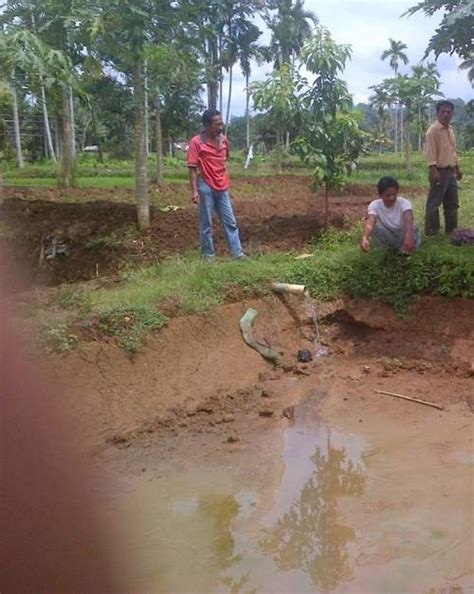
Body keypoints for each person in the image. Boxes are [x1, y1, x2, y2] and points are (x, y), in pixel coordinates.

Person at [187, 109, 245, 260]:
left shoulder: (224, 140)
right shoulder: (196, 143)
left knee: (230, 222)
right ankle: (208, 256)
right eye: (216, 124)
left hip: (222, 186)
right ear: (207, 125)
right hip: (205, 186)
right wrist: (194, 191)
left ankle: (238, 254)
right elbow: (192, 168)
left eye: (221, 124)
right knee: (206, 224)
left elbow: (224, 159)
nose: (220, 127)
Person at [424, 100, 463, 236]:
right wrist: (434, 170)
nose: (446, 114)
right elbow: (431, 152)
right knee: (434, 203)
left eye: (449, 111)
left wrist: (457, 168)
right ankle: (432, 231)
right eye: (443, 111)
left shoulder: (450, 129)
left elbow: (452, 151)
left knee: (452, 203)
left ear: (452, 113)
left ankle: (452, 230)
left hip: (451, 171)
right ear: (437, 113)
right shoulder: (432, 131)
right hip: (439, 171)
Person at [360, 176, 420, 253]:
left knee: (412, 228)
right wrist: (365, 238)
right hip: (390, 234)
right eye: (387, 195)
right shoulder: (375, 205)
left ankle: (406, 252)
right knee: (375, 228)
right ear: (380, 195)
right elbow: (370, 222)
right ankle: (385, 252)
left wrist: (408, 236)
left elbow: (408, 219)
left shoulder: (404, 203)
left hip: (405, 233)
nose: (391, 198)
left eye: (394, 195)